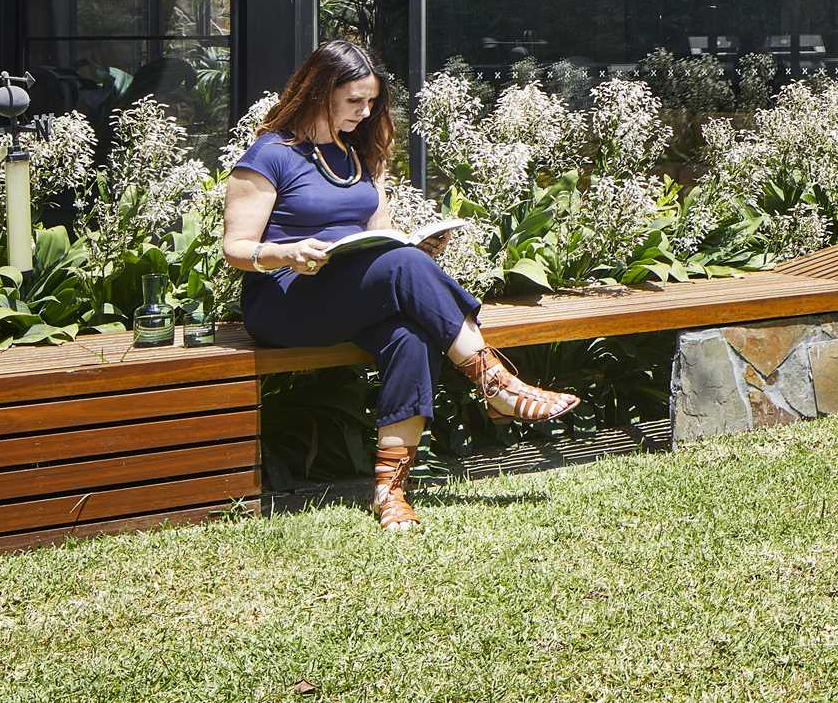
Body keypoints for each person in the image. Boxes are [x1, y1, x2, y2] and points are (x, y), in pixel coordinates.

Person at [224, 38, 577, 529]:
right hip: (285, 301)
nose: (366, 113)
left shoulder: (361, 156)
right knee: (402, 266)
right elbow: (236, 248)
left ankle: (390, 493)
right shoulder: (269, 155)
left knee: (410, 335)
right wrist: (286, 252)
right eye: (354, 101)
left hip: (346, 296)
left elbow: (379, 239)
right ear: (319, 91)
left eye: (372, 102)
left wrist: (419, 253)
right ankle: (493, 383)